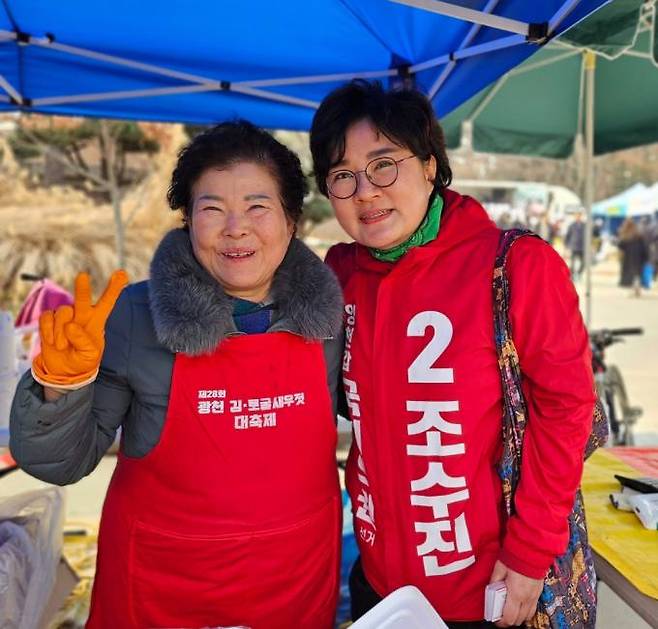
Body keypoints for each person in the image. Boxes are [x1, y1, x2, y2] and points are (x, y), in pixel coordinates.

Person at [10, 121, 344, 629]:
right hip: (163, 587)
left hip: (293, 581)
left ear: (291, 219)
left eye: (258, 207)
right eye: (212, 209)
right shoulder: (133, 316)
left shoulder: (333, 317)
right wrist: (58, 388)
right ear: (187, 221)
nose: (236, 228)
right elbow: (60, 464)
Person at [310, 81, 596, 628]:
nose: (365, 191)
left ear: (430, 166)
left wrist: (532, 551)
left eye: (384, 164)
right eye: (342, 175)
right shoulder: (339, 275)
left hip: (487, 588)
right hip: (378, 584)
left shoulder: (516, 266)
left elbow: (567, 411)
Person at [617, 217, 649, 297]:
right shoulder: (638, 233)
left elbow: (620, 245)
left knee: (630, 273)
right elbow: (644, 246)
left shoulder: (625, 234)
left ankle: (634, 288)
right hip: (639, 257)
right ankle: (637, 288)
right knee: (637, 273)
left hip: (628, 257)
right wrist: (646, 256)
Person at [564, 212, 585, 281]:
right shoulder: (571, 226)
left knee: (583, 263)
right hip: (574, 246)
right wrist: (566, 246)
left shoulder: (584, 225)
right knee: (572, 263)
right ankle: (572, 275)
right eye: (576, 216)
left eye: (579, 216)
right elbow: (568, 236)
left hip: (582, 247)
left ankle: (579, 273)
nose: (578, 217)